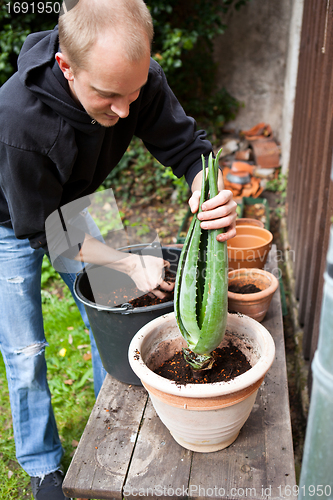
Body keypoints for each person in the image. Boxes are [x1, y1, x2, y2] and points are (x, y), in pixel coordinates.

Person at [0, 0, 237, 498]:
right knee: (25, 351)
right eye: (108, 96)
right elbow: (42, 229)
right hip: (10, 221)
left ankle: (112, 424)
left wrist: (206, 186)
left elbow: (187, 146)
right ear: (66, 67)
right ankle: (43, 467)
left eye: (133, 94)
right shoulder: (17, 119)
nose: (125, 111)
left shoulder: (137, 77)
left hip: (83, 202)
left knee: (114, 312)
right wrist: (128, 261)